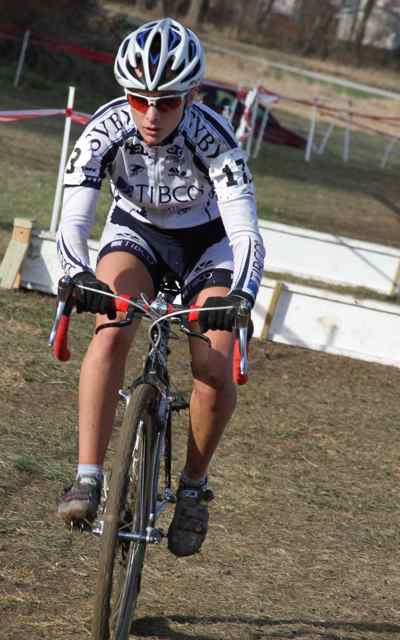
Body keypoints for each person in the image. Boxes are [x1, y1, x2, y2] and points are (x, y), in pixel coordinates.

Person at [56, 17, 265, 557]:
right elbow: (73, 221)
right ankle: (87, 476)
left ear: (192, 95)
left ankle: (193, 487)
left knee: (213, 367)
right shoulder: (105, 128)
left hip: (208, 245)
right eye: (138, 98)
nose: (150, 115)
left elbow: (245, 233)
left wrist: (240, 296)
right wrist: (78, 274)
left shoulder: (215, 139)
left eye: (168, 102)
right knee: (109, 331)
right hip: (137, 233)